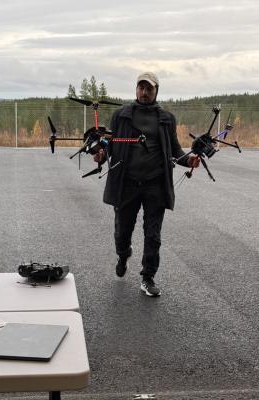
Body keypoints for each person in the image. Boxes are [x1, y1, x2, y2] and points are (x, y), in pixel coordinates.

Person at [94, 72, 200, 297]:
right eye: (141, 88)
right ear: (136, 90)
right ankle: (123, 254)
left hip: (155, 184)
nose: (144, 92)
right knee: (122, 232)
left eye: (149, 88)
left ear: (156, 91)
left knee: (153, 235)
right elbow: (109, 145)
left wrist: (189, 159)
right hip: (126, 184)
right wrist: (101, 156)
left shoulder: (166, 119)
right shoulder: (121, 116)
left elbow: (175, 150)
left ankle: (148, 277)